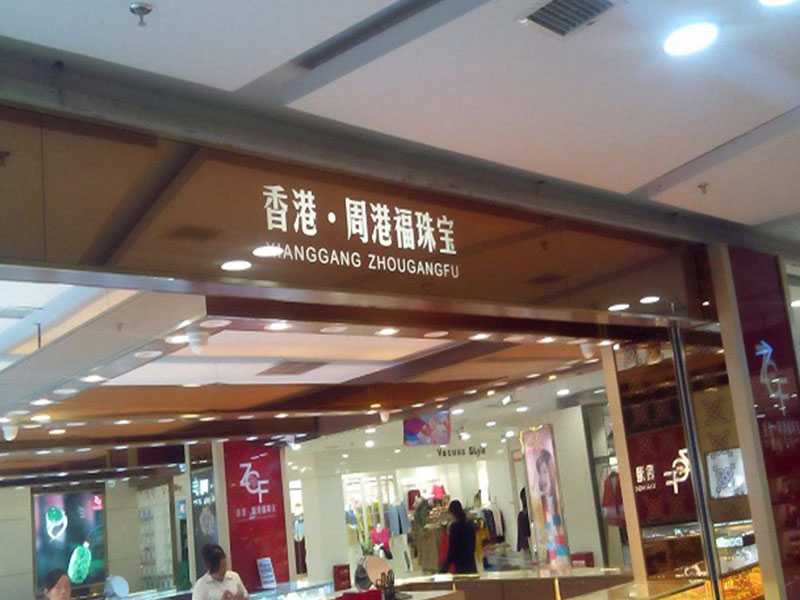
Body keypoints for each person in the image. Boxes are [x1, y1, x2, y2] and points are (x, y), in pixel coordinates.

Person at [536, 450, 569, 567]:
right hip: (552, 560)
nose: (542, 478)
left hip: (562, 560)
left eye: (545, 472)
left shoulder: (559, 503)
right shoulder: (542, 506)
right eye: (539, 472)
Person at [440, 500, 477, 574]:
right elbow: (473, 545)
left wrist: (444, 568)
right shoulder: (470, 524)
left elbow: (452, 550)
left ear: (452, 513)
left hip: (460, 564)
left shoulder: (454, 527)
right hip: (471, 563)